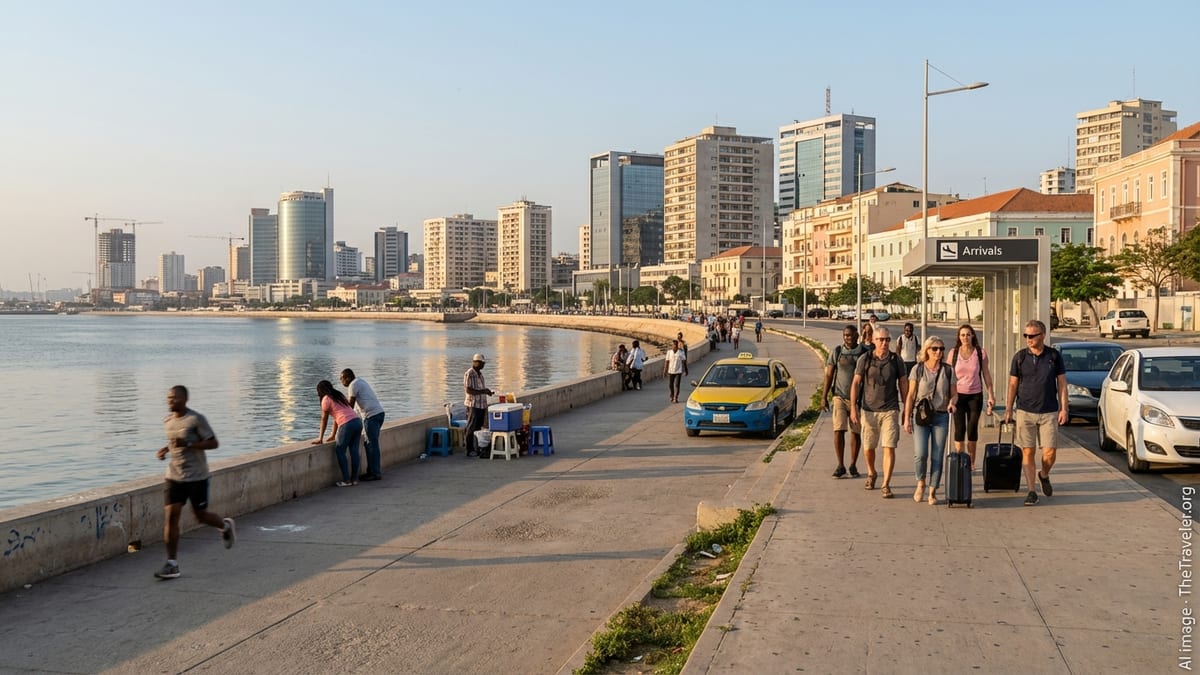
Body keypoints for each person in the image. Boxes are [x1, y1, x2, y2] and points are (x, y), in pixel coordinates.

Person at [154, 385, 235, 580]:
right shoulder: (167, 421)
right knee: (171, 517)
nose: (170, 401)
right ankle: (172, 564)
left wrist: (190, 444)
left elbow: (213, 443)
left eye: (174, 398)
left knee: (201, 516)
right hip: (174, 477)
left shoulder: (196, 419)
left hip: (197, 476)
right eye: (168, 398)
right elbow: (175, 442)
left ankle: (225, 526)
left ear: (184, 399)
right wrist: (165, 449)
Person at [1003, 320, 1068, 506]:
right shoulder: (1019, 357)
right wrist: (1009, 409)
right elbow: (1013, 384)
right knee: (1028, 451)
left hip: (1049, 411)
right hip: (1025, 410)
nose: (1028, 339)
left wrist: (1064, 408)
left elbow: (1062, 384)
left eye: (1032, 336)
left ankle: (1044, 474)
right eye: (1026, 336)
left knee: (1049, 453)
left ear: (1042, 336)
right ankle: (1031, 491)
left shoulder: (1053, 356)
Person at [850, 326, 909, 498]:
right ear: (874, 340)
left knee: (889, 446)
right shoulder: (865, 359)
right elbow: (855, 383)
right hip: (868, 410)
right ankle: (871, 472)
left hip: (890, 409)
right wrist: (853, 407)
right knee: (868, 447)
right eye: (881, 339)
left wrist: (906, 408)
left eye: (887, 339)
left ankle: (886, 484)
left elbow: (904, 384)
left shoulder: (895, 360)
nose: (884, 343)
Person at [903, 337, 957, 505]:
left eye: (941, 349)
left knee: (937, 456)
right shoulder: (918, 370)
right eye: (934, 349)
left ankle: (933, 490)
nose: (938, 352)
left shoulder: (948, 370)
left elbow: (955, 393)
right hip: (921, 416)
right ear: (926, 350)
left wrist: (952, 402)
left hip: (941, 416)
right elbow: (910, 396)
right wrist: (906, 418)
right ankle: (921, 483)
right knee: (921, 454)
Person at [821, 325, 868, 479]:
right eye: (845, 335)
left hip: (858, 400)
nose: (847, 338)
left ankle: (853, 464)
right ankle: (840, 465)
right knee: (838, 429)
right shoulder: (837, 352)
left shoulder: (864, 353)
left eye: (850, 335)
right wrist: (824, 397)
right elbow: (829, 375)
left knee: (856, 432)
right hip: (839, 396)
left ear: (857, 336)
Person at [949, 324, 995, 468]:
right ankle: (959, 459)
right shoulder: (953, 353)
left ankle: (971, 461)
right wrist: (949, 398)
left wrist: (991, 395)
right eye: (962, 335)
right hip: (958, 396)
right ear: (959, 337)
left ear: (973, 336)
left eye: (968, 335)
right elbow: (948, 376)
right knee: (959, 428)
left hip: (975, 395)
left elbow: (986, 374)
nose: (965, 338)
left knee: (972, 427)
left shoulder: (980, 353)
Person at [313, 380, 363, 486]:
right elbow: (337, 417)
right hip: (357, 422)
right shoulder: (339, 395)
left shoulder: (326, 399)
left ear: (320, 391)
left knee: (340, 451)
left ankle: (346, 480)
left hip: (347, 424)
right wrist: (332, 435)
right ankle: (354, 479)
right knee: (354, 450)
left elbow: (324, 419)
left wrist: (320, 438)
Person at [340, 368, 384, 481]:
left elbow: (350, 405)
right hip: (378, 413)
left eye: (342, 379)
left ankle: (375, 473)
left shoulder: (353, 385)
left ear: (348, 378)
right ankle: (372, 471)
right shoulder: (360, 381)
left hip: (371, 416)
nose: (341, 381)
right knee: (369, 444)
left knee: (371, 445)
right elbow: (355, 409)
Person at [464, 353, 495, 458]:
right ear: (476, 362)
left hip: (481, 405)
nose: (483, 365)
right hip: (473, 405)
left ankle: (477, 448)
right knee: (471, 427)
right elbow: (468, 390)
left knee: (478, 428)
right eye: (481, 363)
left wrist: (487, 392)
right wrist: (483, 391)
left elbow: (481, 390)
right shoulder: (470, 373)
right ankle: (469, 449)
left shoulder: (480, 375)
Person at [664, 339, 688, 403]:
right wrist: (665, 371)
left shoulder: (681, 352)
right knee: (670, 385)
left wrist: (686, 370)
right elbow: (667, 362)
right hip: (671, 370)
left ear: (677, 345)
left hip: (678, 371)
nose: (674, 346)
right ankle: (672, 394)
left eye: (675, 345)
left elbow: (684, 361)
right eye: (673, 345)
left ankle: (676, 397)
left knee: (677, 385)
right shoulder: (669, 352)